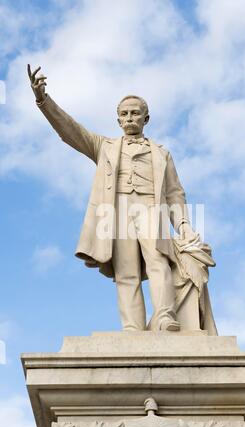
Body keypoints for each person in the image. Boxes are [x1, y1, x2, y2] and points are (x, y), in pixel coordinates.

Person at [28, 64, 195, 332]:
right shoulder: (104, 146)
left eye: (135, 113)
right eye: (124, 114)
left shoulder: (161, 153)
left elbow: (175, 192)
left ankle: (165, 317)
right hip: (116, 212)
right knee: (126, 273)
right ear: (118, 120)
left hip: (151, 209)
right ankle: (132, 328)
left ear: (146, 118)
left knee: (158, 261)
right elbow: (70, 130)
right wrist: (43, 100)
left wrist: (184, 224)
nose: (130, 118)